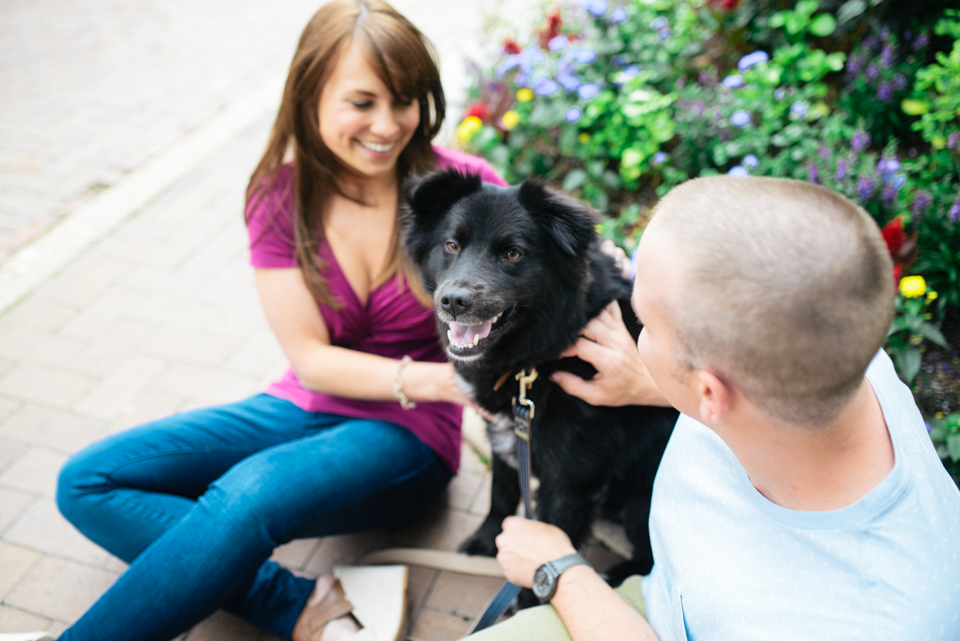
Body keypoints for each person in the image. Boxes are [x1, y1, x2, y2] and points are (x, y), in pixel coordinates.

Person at [40, 2, 507, 641]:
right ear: (310, 95)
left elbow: (532, 275)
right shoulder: (279, 197)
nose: (388, 124)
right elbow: (311, 359)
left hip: (409, 433)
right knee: (88, 481)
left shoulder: (466, 188)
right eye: (362, 102)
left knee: (247, 495)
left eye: (403, 101)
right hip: (303, 401)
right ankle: (299, 608)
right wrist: (440, 379)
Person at [473, 175, 960, 640]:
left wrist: (562, 570)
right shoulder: (834, 343)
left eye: (641, 319)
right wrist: (654, 384)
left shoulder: (859, 623)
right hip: (668, 589)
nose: (625, 322)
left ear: (711, 395)